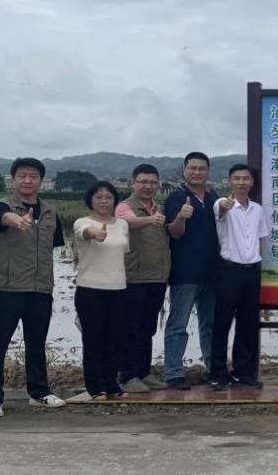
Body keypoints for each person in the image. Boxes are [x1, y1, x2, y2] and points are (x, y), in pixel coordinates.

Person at [0, 157, 67, 416]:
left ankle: (39, 392)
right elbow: (1, 218)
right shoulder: (1, 206)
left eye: (33, 176)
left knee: (37, 343)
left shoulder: (50, 212)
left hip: (41, 289)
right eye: (22, 176)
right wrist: (15, 220)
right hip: (9, 288)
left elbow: (53, 246)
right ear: (13, 179)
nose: (28, 180)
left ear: (41, 180)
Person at [208, 164, 269, 390]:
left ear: (252, 182)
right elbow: (220, 210)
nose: (241, 182)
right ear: (229, 182)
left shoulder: (258, 209)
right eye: (236, 178)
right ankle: (218, 373)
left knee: (248, 323)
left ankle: (243, 372)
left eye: (245, 178)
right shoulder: (222, 203)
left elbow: (260, 238)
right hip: (229, 270)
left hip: (252, 271)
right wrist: (224, 206)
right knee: (222, 323)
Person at [68, 182, 131, 401]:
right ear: (90, 200)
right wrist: (95, 233)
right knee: (94, 339)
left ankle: (111, 383)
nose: (104, 201)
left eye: (108, 197)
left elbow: (122, 253)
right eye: (99, 197)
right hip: (90, 290)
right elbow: (86, 233)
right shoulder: (82, 222)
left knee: (115, 339)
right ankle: (96, 386)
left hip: (118, 289)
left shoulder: (122, 224)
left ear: (115, 200)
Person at [162, 152, 220, 389]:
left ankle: (212, 369)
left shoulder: (214, 197)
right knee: (178, 324)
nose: (197, 172)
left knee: (210, 324)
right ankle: (174, 373)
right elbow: (175, 233)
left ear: (208, 171)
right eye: (192, 168)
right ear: (184, 170)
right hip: (184, 273)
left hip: (212, 272)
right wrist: (180, 217)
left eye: (201, 168)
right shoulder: (176, 197)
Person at [115, 164, 170, 392]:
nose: (148, 186)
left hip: (157, 277)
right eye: (143, 182)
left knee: (148, 328)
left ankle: (143, 372)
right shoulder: (125, 207)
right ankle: (127, 376)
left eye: (152, 182)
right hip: (133, 277)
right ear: (133, 184)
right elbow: (128, 222)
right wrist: (151, 219)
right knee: (131, 328)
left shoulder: (159, 207)